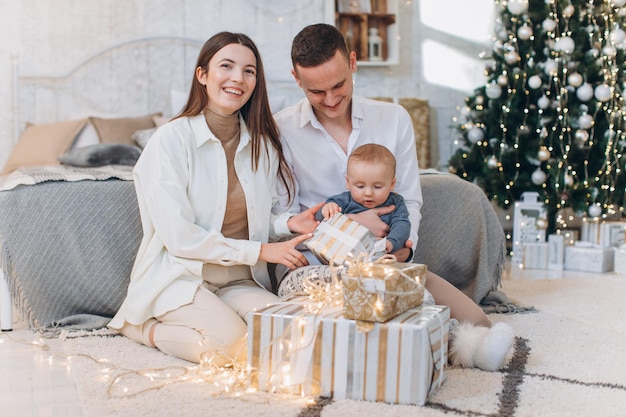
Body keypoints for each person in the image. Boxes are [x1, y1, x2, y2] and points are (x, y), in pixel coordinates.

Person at [273, 23, 514, 372]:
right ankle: (441, 349)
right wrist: (348, 224)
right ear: (296, 79)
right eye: (315, 91)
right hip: (317, 261)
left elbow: (410, 199)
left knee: (478, 319)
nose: (329, 100)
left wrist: (405, 248)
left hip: (384, 254)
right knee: (370, 312)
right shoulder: (281, 129)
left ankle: (462, 342)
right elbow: (285, 218)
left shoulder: (393, 118)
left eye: (338, 85)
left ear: (353, 62)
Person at [108, 32, 321, 366]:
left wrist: (288, 223)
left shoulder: (262, 145)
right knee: (232, 345)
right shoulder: (170, 141)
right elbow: (179, 237)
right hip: (182, 278)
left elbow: (254, 219)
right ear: (202, 75)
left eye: (249, 71)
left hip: (240, 279)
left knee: (295, 333)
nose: (238, 77)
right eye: (226, 66)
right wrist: (261, 251)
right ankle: (140, 328)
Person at [316, 143, 409, 254]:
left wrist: (391, 242)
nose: (368, 193)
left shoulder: (395, 202)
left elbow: (402, 224)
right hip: (344, 254)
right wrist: (327, 208)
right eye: (360, 186)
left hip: (379, 255)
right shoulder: (344, 200)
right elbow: (319, 218)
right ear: (348, 182)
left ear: (392, 184)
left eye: (377, 187)